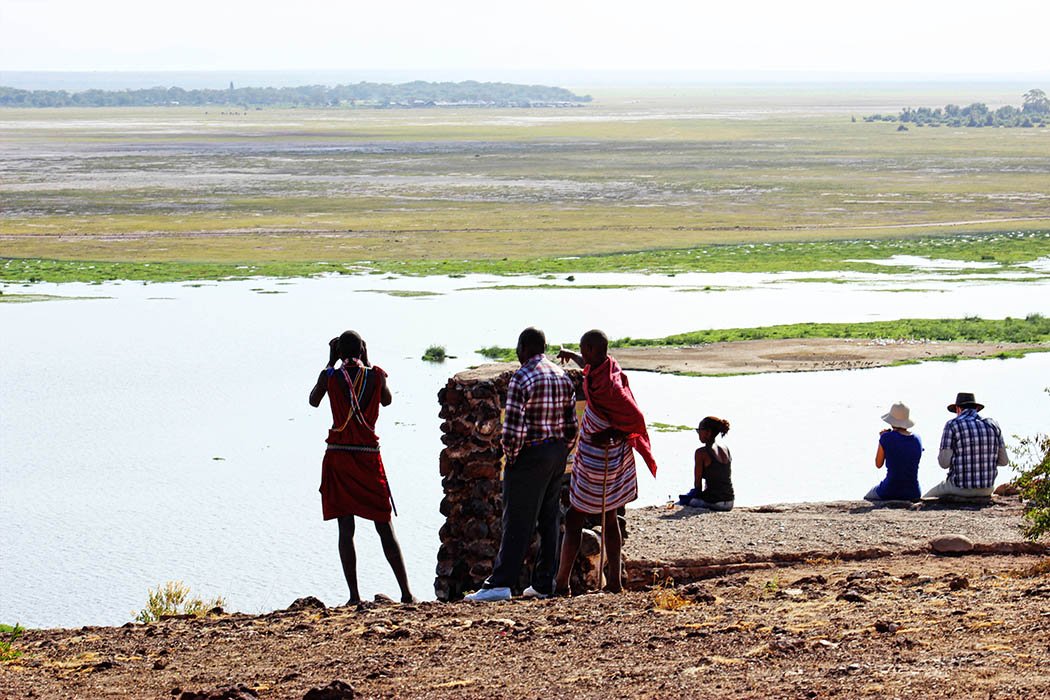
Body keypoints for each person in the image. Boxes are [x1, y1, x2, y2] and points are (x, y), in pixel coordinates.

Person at [465, 327, 578, 602]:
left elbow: (513, 429)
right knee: (549, 519)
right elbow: (572, 424)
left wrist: (513, 458)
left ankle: (501, 584)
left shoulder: (522, 377)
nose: (517, 353)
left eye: (518, 347)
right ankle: (543, 584)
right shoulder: (561, 376)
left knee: (516, 519)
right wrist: (562, 450)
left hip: (531, 454)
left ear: (525, 347)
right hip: (556, 453)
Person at [309, 330, 415, 604]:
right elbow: (387, 400)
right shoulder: (376, 375)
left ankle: (354, 596)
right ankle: (406, 593)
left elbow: (313, 399)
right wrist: (369, 362)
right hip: (368, 458)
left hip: (340, 458)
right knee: (384, 524)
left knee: (346, 528)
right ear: (363, 350)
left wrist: (329, 362)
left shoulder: (330, 376)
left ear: (338, 352)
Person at [553, 330, 657, 596]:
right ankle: (614, 583)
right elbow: (589, 366)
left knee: (576, 515)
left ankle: (562, 584)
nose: (580, 354)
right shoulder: (606, 367)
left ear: (590, 348)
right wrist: (570, 355)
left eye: (581, 349)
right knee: (610, 514)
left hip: (601, 457)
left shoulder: (610, 386)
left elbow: (636, 418)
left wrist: (612, 433)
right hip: (601, 453)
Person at [924, 392, 1009, 499]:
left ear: (958, 409)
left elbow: (944, 463)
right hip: (987, 489)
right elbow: (1004, 461)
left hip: (959, 487)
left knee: (926, 497)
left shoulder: (952, 424)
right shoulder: (993, 424)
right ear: (976, 408)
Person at [863, 402, 922, 502]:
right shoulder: (917, 438)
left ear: (891, 421)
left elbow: (878, 464)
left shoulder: (886, 437)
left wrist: (882, 438)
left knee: (867, 496)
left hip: (890, 490)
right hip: (913, 492)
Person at [677, 416, 735, 511]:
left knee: (685, 500)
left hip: (716, 503)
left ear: (708, 432)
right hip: (730, 501)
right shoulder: (725, 448)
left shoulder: (701, 453)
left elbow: (698, 485)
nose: (698, 433)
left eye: (699, 430)